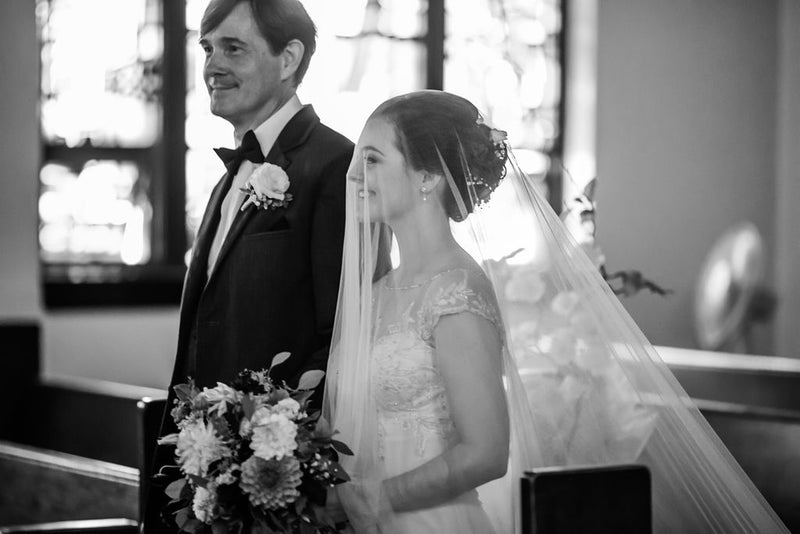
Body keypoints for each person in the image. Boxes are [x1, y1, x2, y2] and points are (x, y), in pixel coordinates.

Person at [323, 90, 789, 533]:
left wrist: (377, 497)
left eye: (372, 159)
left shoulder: (456, 293)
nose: (353, 175)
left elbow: (485, 452)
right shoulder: (379, 292)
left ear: (428, 177)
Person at [144, 0, 352, 531]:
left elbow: (345, 331)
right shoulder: (228, 175)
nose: (212, 64)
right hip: (212, 471)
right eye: (208, 48)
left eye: (233, 48)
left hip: (280, 483)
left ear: (288, 59)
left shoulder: (337, 166)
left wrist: (288, 457)